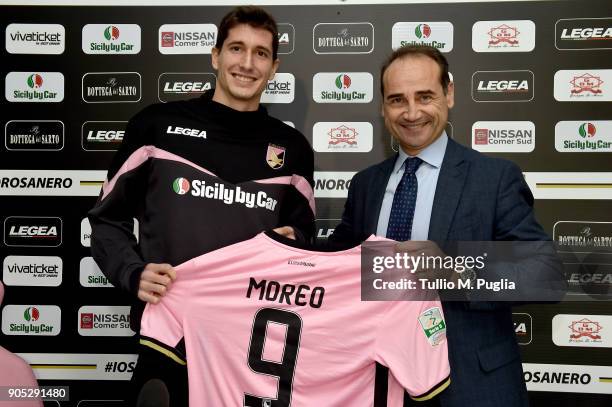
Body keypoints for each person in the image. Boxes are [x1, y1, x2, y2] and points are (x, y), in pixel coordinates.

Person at [88, 6, 315, 405]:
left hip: (250, 349)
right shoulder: (157, 126)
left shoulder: (292, 150)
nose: (247, 63)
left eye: (260, 53)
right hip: (168, 337)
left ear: (274, 66)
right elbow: (106, 221)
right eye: (236, 49)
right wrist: (132, 271)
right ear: (215, 56)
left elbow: (306, 240)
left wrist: (295, 240)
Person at [330, 45, 554, 406]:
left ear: (448, 94)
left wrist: (452, 269)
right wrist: (285, 251)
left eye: (425, 96)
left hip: (470, 388)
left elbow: (543, 273)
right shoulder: (365, 185)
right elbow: (337, 264)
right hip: (378, 385)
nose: (412, 112)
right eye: (397, 100)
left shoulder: (494, 178)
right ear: (383, 108)